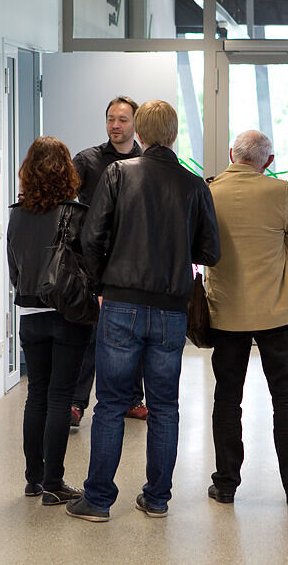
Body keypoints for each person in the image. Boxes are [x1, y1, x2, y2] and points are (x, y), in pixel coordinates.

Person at [67, 100, 220, 522]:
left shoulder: (118, 173)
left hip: (121, 304)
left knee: (111, 404)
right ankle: (156, 499)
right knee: (165, 406)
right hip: (171, 309)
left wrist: (102, 285)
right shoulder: (194, 185)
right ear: (171, 134)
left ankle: (97, 501)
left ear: (143, 132)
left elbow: (91, 237)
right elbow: (211, 251)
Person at [205, 130, 288, 507]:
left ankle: (225, 483)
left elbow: (203, 247)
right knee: (285, 395)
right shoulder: (278, 192)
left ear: (230, 154)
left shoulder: (209, 192)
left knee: (227, 396)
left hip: (226, 310)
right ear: (268, 163)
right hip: (276, 307)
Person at [6, 137, 90, 507]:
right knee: (60, 396)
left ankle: (33, 479)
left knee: (36, 393)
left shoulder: (17, 213)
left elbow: (14, 267)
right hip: (66, 314)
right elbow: (87, 269)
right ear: (66, 171)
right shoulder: (75, 213)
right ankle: (54, 482)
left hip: (29, 313)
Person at [69, 96, 147, 427]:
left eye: (122, 120)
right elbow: (63, 196)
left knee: (132, 333)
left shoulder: (147, 162)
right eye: (111, 119)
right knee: (89, 332)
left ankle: (131, 399)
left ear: (136, 124)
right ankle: (75, 403)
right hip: (93, 259)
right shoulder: (87, 160)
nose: (115, 125)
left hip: (133, 262)